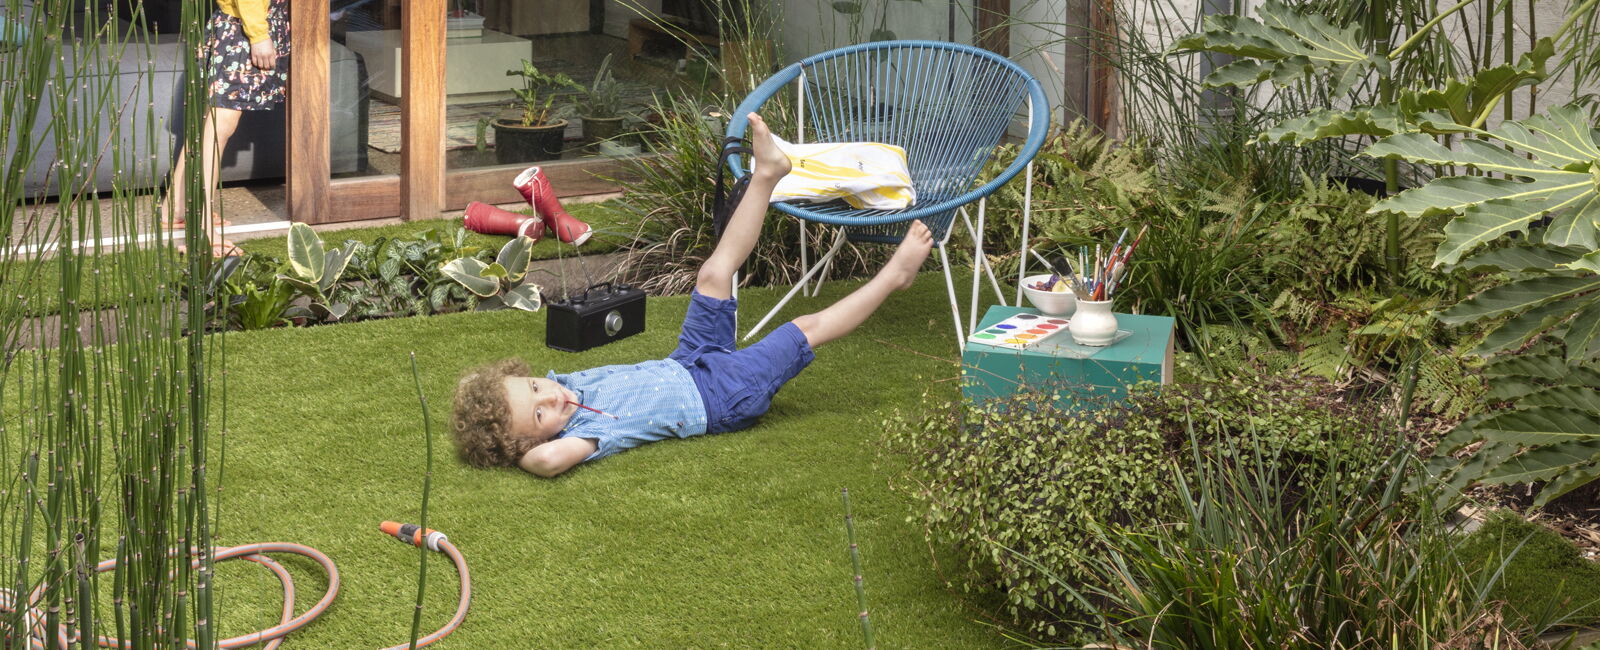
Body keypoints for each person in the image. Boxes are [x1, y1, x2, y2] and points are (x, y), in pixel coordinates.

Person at [450, 113, 934, 477]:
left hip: (690, 362)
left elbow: (534, 398)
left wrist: (519, 407)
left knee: (713, 273)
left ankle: (768, 173)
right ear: (531, 441)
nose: (552, 398)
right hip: (722, 397)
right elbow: (549, 460)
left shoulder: (564, 383)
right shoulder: (582, 436)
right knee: (802, 330)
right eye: (540, 414)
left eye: (536, 387)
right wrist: (523, 454)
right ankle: (895, 276)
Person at [161, 0, 291, 256]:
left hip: (245, 25)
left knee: (212, 125)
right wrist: (259, 35)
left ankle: (175, 206)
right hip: (243, 29)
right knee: (219, 128)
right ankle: (202, 231)